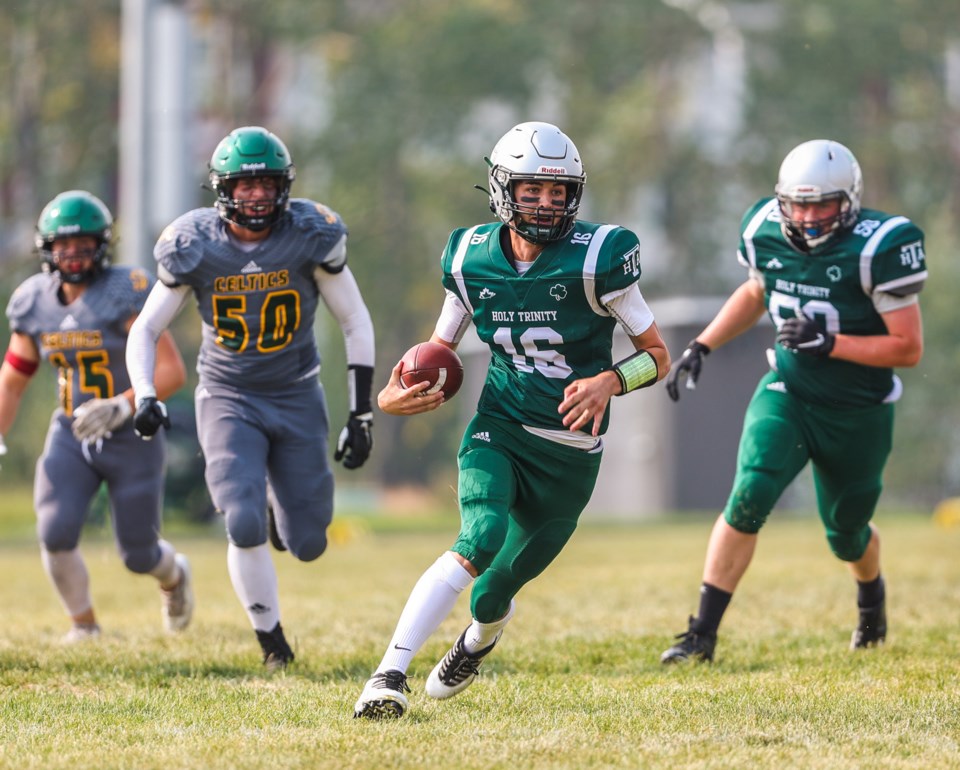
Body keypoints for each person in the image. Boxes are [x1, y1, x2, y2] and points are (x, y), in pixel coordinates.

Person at [353, 121, 670, 719]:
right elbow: (429, 358)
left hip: (570, 457)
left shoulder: (598, 258)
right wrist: (393, 400)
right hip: (498, 427)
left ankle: (477, 641)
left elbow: (657, 356)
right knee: (479, 536)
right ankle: (386, 676)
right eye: (532, 191)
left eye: (558, 193)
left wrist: (609, 380)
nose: (546, 205)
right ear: (503, 190)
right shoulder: (470, 258)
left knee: (492, 592)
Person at [660, 139, 926, 664]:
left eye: (821, 205)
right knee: (750, 493)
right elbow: (757, 290)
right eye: (797, 204)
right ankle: (700, 636)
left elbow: (909, 348)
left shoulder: (880, 247)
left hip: (858, 410)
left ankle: (871, 596)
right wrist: (702, 343)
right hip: (790, 390)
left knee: (846, 534)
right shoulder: (763, 227)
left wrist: (832, 343)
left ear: (848, 202)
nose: (806, 217)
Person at [125, 126, 376, 670]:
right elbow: (144, 330)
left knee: (308, 542)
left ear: (283, 185)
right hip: (228, 393)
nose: (257, 195)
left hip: (296, 392)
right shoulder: (195, 245)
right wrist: (145, 393)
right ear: (223, 189)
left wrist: (361, 413)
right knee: (238, 519)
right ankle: (272, 641)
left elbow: (354, 320)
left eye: (266, 183)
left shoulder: (310, 234)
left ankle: (275, 513)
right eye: (245, 185)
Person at [0, 190, 193, 642]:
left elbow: (170, 370)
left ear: (101, 245)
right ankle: (84, 624)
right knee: (54, 528)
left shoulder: (126, 290)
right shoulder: (34, 301)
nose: (73, 253)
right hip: (71, 429)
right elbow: (14, 377)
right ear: (47, 247)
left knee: (138, 553)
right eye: (63, 244)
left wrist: (122, 404)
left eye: (84, 243)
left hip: (132, 432)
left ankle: (174, 575)